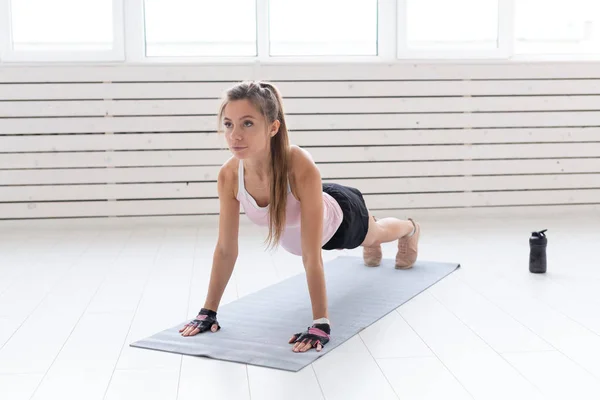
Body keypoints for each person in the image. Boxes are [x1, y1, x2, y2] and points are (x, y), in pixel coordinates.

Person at [179, 81, 421, 353]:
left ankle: (409, 228)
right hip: (310, 207)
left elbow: (311, 255)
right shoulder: (229, 175)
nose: (235, 135)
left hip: (341, 220)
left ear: (273, 127)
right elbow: (225, 249)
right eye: (228, 124)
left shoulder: (298, 163)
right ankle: (374, 232)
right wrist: (208, 311)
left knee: (375, 234)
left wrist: (320, 323)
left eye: (247, 124)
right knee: (369, 235)